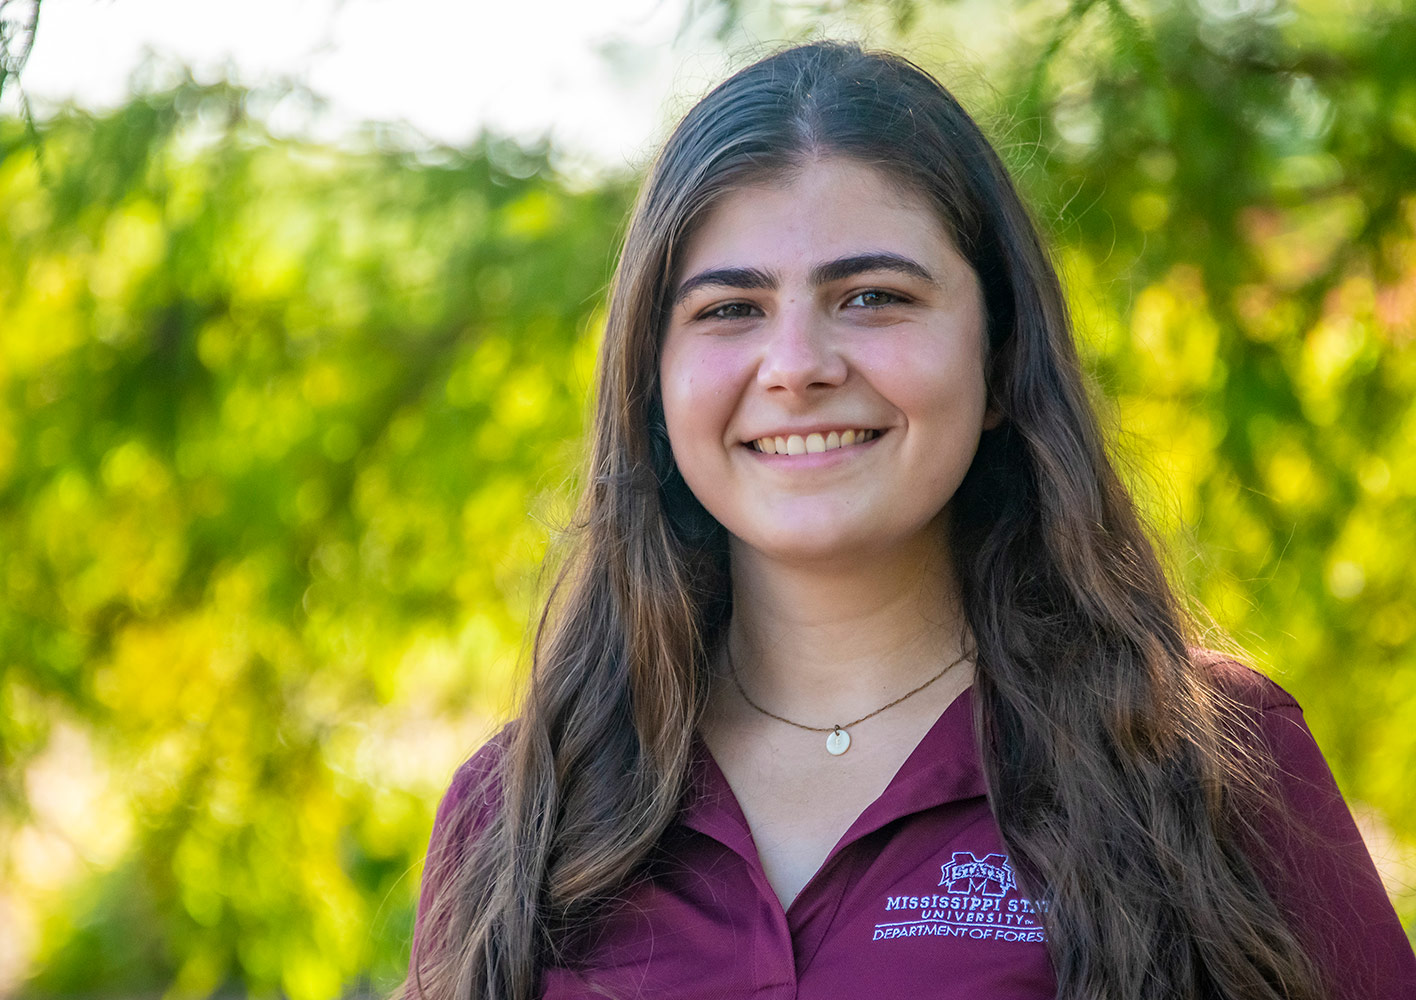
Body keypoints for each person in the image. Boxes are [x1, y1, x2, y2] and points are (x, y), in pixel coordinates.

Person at [400, 41, 1416, 1000]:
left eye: (872, 296)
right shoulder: (518, 814)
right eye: (729, 309)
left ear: (1000, 359)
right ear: (653, 383)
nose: (797, 366)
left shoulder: (1212, 763)